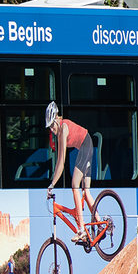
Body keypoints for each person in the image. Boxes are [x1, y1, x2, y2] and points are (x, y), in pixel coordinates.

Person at [44, 101, 95, 243]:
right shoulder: (60, 129)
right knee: (86, 191)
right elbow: (60, 161)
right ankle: (100, 223)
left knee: (74, 185)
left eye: (52, 126)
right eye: (49, 128)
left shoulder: (63, 129)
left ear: (56, 119)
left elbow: (61, 162)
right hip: (87, 144)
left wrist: (52, 184)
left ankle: (81, 230)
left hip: (86, 145)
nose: (52, 130)